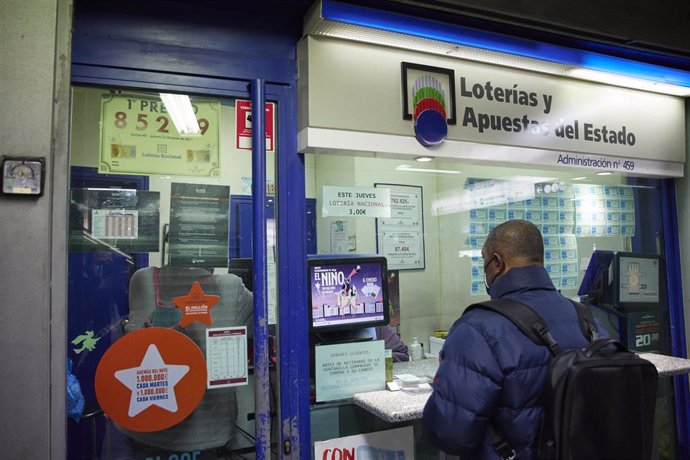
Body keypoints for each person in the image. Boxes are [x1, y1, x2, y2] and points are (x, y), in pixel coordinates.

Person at [423, 219, 606, 459]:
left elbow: (450, 433)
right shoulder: (586, 319)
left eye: (484, 263)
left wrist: (444, 384)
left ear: (497, 263)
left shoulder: (477, 328)